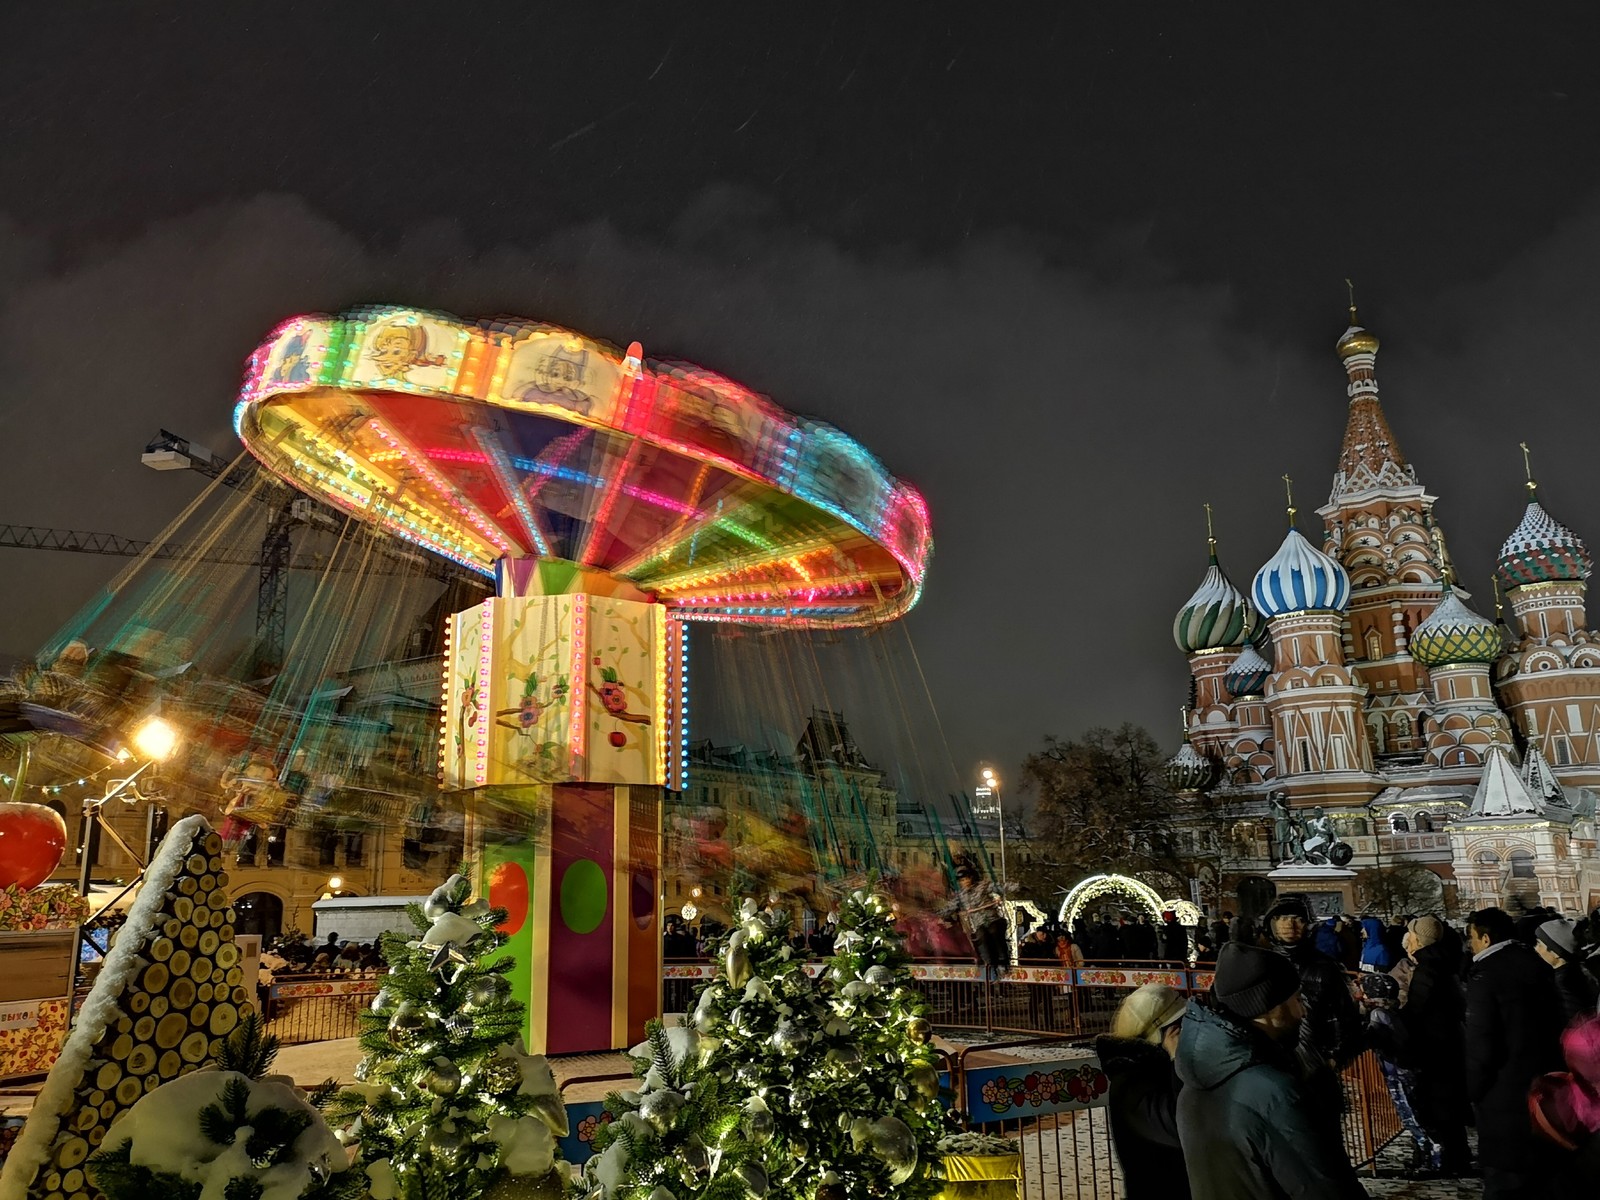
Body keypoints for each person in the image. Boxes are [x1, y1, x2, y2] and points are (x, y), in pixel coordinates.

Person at [1174, 943, 1366, 1199]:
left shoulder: (1196, 1078)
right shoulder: (1273, 1093)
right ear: (1271, 1007)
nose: (1304, 1011)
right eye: (1297, 1000)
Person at [1465, 906, 1566, 1198]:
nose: (1470, 943)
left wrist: (1474, 1089)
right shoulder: (1535, 964)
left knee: (1505, 1180)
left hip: (1503, 1093)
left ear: (1485, 938)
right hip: (1544, 1083)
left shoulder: (1486, 975)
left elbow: (1481, 1042)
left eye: (1472, 936)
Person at [1096, 984, 1191, 1199]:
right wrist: (1179, 1062)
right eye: (1179, 1025)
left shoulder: (1152, 1070)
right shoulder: (1132, 1085)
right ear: (1161, 1034)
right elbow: (1182, 1124)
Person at [1398, 915, 1472, 1176]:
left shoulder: (1428, 967)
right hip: (1449, 1042)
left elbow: (1417, 1009)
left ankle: (1445, 1160)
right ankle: (1458, 1155)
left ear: (1417, 938)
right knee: (1449, 1105)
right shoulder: (1446, 960)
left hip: (1434, 1047)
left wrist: (1395, 1019)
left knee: (1438, 1107)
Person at [945, 865, 1009, 979]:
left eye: (967, 879)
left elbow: (999, 887)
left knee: (994, 932)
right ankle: (989, 965)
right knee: (981, 936)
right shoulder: (961, 895)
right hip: (979, 923)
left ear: (971, 878)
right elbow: (950, 907)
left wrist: (1017, 887)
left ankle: (1002, 961)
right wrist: (938, 914)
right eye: (962, 880)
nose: (965, 882)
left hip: (992, 919)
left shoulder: (982, 886)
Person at [1536, 917, 1600, 1025]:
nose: (1536, 948)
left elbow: (1575, 1021)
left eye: (1539, 944)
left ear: (1555, 953)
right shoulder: (1578, 972)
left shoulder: (1565, 982)